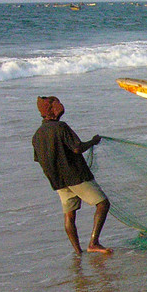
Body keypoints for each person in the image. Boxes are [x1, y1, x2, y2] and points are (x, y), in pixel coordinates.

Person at [32, 96, 111, 255]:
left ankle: (77, 252)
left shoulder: (37, 135)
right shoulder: (61, 127)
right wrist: (93, 141)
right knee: (103, 204)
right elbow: (77, 148)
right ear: (52, 110)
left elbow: (37, 159)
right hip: (76, 176)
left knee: (69, 215)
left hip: (58, 181)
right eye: (57, 104)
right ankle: (93, 243)